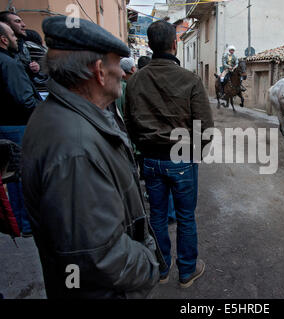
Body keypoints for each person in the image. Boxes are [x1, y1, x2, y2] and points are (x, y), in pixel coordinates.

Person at [21, 16, 166, 299]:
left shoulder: (65, 116)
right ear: (99, 71)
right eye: (116, 65)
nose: (123, 75)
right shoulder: (74, 149)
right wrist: (150, 262)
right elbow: (101, 256)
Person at [124, 20, 214, 288]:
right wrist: (193, 152)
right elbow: (205, 127)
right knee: (186, 217)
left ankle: (162, 269)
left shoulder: (135, 80)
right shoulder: (190, 79)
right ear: (175, 44)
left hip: (150, 161)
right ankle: (186, 272)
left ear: (150, 45)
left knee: (158, 216)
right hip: (182, 159)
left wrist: (145, 147)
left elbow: (129, 122)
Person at [0, 22, 41, 237]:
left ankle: (17, 221)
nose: (17, 40)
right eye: (13, 37)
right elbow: (26, 99)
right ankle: (26, 224)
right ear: (4, 40)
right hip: (18, 126)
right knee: (22, 177)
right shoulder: (9, 64)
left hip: (7, 125)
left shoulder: (11, 63)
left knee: (11, 177)